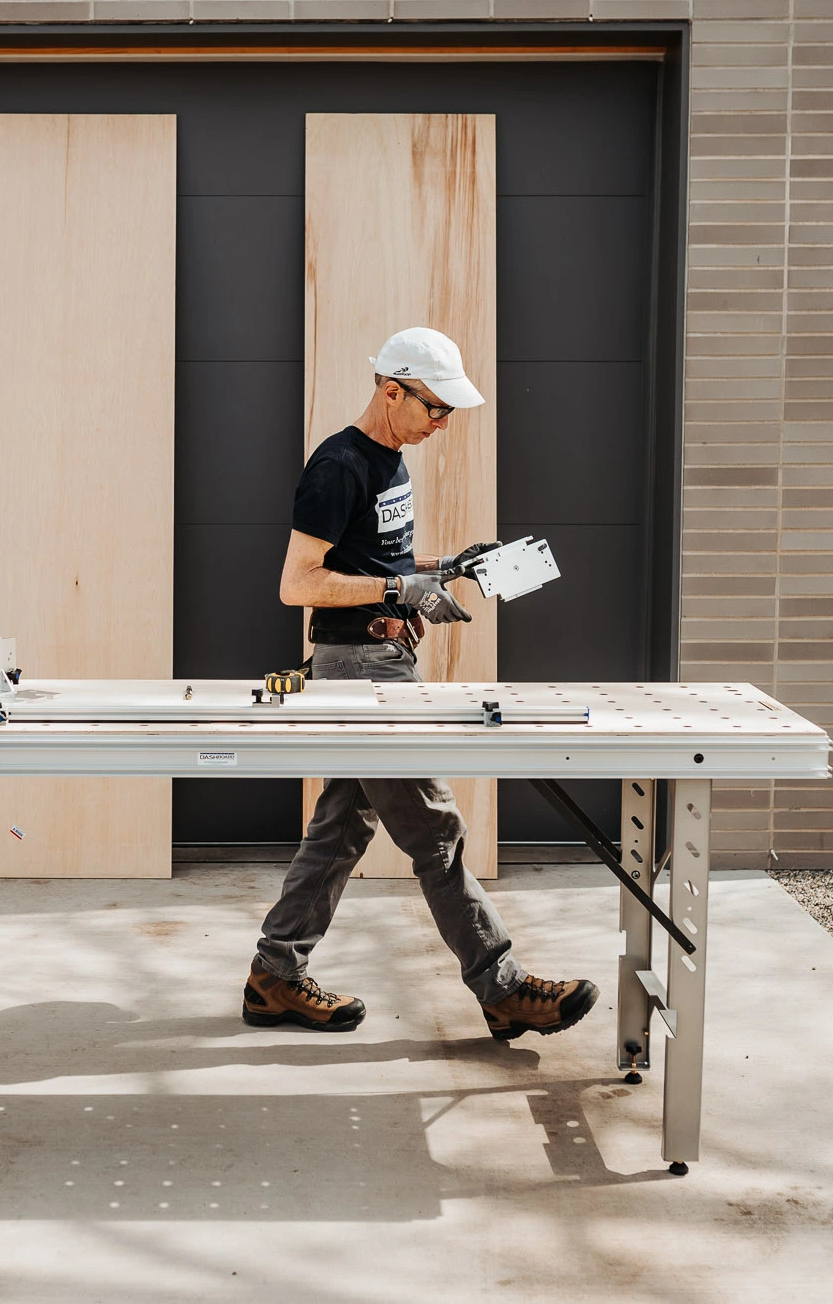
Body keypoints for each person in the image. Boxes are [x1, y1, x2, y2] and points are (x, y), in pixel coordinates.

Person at [242, 327, 598, 1043]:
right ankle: (502, 987)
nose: (442, 423)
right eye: (434, 408)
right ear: (391, 389)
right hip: (358, 668)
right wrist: (401, 585)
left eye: (449, 413)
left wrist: (448, 565)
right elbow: (296, 583)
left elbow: (376, 560)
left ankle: (274, 974)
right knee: (436, 831)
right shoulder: (338, 466)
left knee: (343, 826)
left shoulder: (392, 461)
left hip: (386, 663)